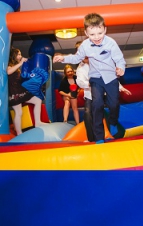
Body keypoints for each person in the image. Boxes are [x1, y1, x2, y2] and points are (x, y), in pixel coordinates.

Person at [54, 13, 125, 142]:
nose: (97, 37)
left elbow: (119, 59)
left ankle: (113, 122)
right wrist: (63, 58)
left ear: (105, 30)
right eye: (92, 34)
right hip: (96, 78)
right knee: (96, 105)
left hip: (111, 77)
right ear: (86, 33)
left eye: (100, 33)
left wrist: (121, 68)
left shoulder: (111, 43)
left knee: (114, 104)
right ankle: (99, 136)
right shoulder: (85, 45)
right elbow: (76, 58)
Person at [75, 41, 132, 142]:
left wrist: (120, 87)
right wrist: (88, 83)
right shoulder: (80, 68)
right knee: (88, 114)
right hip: (91, 95)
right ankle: (93, 139)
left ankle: (113, 131)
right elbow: (79, 81)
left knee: (113, 106)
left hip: (106, 92)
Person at [7, 47, 44, 135]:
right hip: (14, 92)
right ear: (13, 55)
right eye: (18, 54)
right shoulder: (9, 65)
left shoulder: (18, 67)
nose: (20, 56)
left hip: (21, 90)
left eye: (20, 54)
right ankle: (19, 133)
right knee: (18, 112)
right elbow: (8, 72)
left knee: (38, 100)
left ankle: (38, 122)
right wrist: (21, 63)